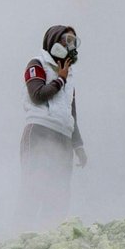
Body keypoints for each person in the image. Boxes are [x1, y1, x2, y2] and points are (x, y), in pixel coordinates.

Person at [20, 24, 86, 223]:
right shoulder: (37, 64)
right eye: (67, 40)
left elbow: (70, 113)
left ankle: (50, 234)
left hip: (63, 136)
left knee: (59, 191)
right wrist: (60, 80)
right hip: (40, 130)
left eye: (74, 41)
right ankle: (21, 233)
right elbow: (37, 95)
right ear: (54, 42)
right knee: (34, 186)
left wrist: (79, 145)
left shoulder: (69, 74)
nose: (71, 45)